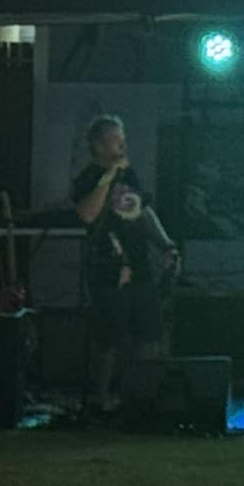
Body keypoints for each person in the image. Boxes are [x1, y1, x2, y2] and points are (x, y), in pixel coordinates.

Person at [72, 115, 179, 418]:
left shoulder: (129, 176)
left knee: (150, 331)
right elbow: (88, 215)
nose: (123, 146)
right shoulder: (87, 178)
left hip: (140, 265)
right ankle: (101, 399)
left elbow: (142, 213)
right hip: (107, 267)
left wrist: (166, 245)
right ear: (99, 145)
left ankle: (145, 394)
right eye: (117, 140)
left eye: (123, 139)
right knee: (108, 338)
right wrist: (110, 176)